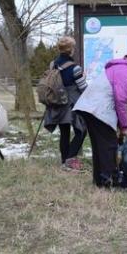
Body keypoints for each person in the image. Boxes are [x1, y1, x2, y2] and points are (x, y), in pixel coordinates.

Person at [73, 50, 127, 188]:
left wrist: (122, 124)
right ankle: (109, 180)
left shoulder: (120, 68)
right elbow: (120, 100)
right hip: (97, 109)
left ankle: (100, 181)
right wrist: (125, 125)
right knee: (109, 145)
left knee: (99, 145)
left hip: (90, 107)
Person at [43, 36, 87, 172]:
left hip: (57, 103)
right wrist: (83, 77)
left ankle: (64, 161)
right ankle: (70, 160)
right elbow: (84, 88)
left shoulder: (53, 64)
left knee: (64, 132)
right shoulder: (75, 68)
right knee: (81, 131)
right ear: (71, 50)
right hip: (72, 104)